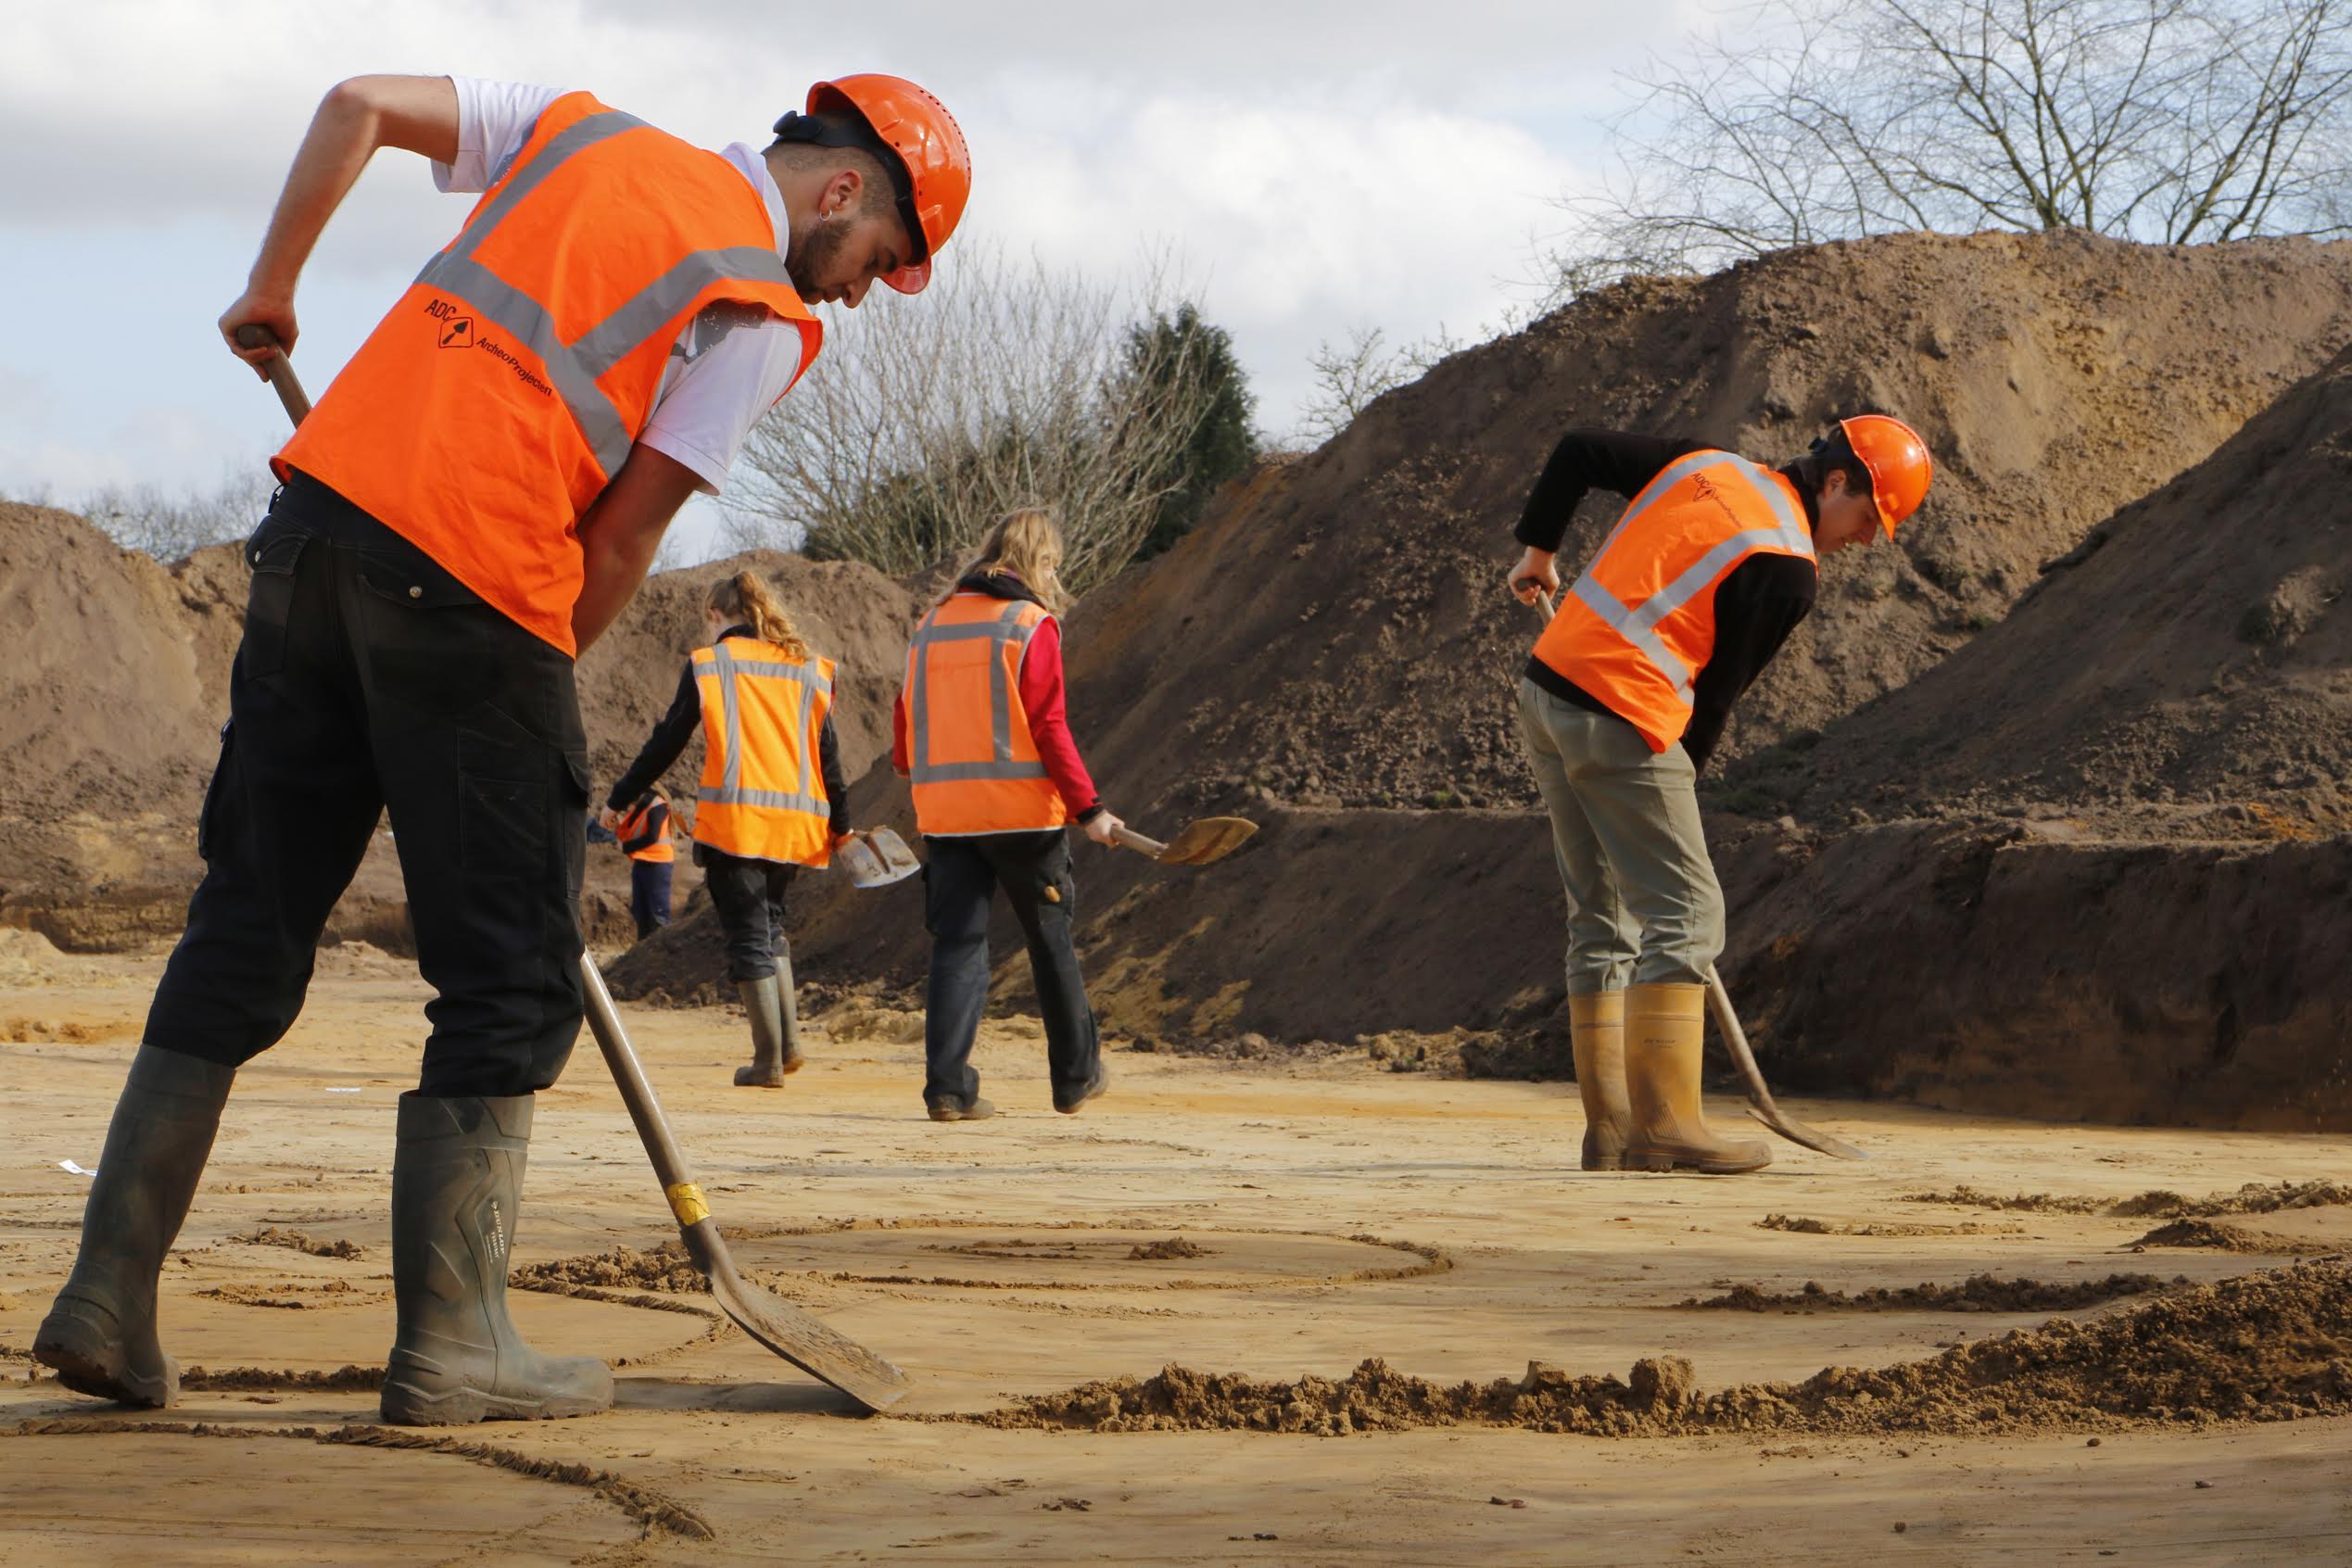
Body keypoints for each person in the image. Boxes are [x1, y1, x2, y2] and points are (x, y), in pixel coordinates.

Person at [34, 70, 968, 1426]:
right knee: (512, 975)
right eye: (878, 261)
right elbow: (624, 537)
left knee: (244, 927)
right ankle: (455, 1343)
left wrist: (272, 286)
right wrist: (529, 687)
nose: (860, 294)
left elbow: (357, 102)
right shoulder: (758, 312)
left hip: (310, 542)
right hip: (476, 588)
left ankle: (106, 1295)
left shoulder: (576, 127)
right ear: (841, 190)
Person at [1508, 417, 1932, 1176]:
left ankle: (1610, 1133)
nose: (1868, 539)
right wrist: (1679, 787)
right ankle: (1667, 1127)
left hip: (1548, 691)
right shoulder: (1787, 565)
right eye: (1869, 517)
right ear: (1836, 481)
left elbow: (1578, 449)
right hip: (1620, 711)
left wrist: (1538, 551)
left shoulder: (1707, 466)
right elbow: (1714, 699)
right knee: (1688, 910)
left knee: (1603, 916)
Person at [893, 511, 1120, 1122]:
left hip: (947, 815)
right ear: (1036, 561)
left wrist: (908, 763)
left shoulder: (932, 624)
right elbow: (1049, 725)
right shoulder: (1028, 624)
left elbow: (905, 713)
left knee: (958, 945)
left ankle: (948, 1090)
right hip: (1023, 817)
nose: (1054, 578)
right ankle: (1075, 1077)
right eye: (1052, 565)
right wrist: (1090, 809)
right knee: (1049, 941)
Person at [603, 572, 851, 1088]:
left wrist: (621, 797)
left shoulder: (712, 664)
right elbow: (828, 754)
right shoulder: (805, 667)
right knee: (772, 927)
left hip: (738, 825)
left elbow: (667, 741)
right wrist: (843, 825)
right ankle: (788, 1047)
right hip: (795, 827)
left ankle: (767, 1062)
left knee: (748, 938)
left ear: (716, 615)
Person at [613, 784, 677, 940]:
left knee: (658, 914)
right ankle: (643, 949)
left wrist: (626, 847)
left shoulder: (657, 805)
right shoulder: (643, 806)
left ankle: (660, 949)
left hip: (658, 864)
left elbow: (652, 836)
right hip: (642, 861)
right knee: (641, 912)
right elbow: (633, 832)